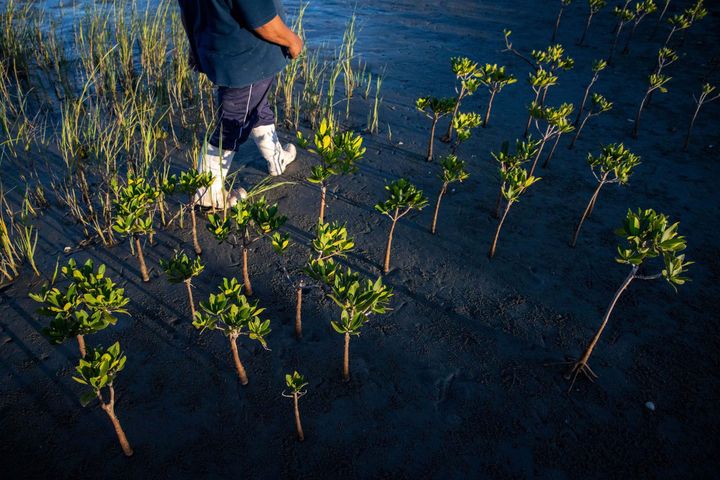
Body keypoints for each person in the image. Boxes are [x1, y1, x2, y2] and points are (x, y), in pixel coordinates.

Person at [178, 0, 304, 208]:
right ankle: (208, 194)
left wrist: (194, 46)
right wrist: (293, 41)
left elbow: (188, 10)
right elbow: (263, 22)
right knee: (232, 123)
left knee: (256, 106)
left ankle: (276, 159)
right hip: (246, 59)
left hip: (220, 50)